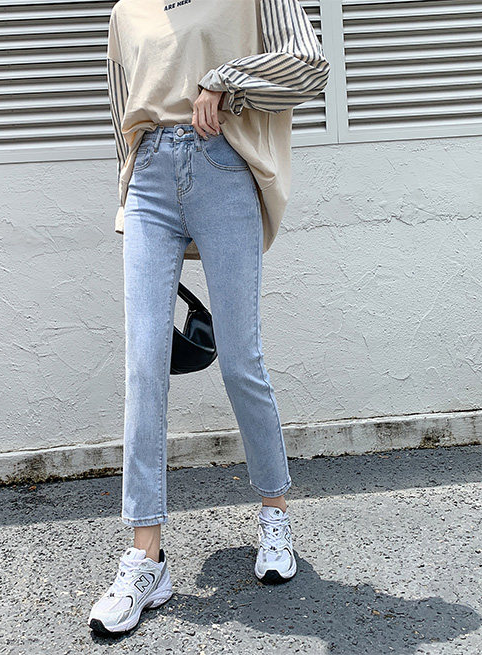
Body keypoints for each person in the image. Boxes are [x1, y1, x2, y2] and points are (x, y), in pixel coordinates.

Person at [89, 0, 330, 635]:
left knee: (241, 359)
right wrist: (128, 191)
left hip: (223, 163)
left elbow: (310, 65)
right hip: (149, 177)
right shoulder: (126, 12)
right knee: (144, 365)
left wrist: (227, 81)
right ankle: (146, 559)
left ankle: (274, 513)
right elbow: (121, 112)